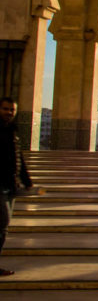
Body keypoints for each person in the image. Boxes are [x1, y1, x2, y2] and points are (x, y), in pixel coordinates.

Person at [1, 97, 34, 277]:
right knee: (2, 223)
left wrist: (26, 180)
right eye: (6, 109)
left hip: (10, 185)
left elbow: (18, 157)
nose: (9, 113)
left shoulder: (12, 130)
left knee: (2, 227)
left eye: (12, 110)